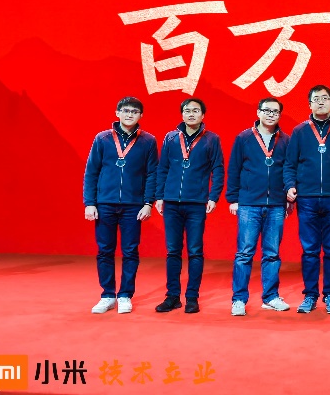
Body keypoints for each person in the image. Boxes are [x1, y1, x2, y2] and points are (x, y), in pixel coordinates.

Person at [284, 85, 330, 314]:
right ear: (310, 104)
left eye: (325, 98)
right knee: (310, 251)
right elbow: (290, 164)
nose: (321, 102)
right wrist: (290, 186)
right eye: (317, 99)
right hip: (307, 199)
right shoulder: (299, 131)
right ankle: (310, 295)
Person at [83, 96, 159, 314]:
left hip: (133, 206)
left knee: (130, 251)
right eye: (125, 111)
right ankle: (107, 295)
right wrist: (90, 203)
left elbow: (152, 174)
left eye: (134, 112)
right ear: (117, 113)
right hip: (104, 204)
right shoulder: (103, 139)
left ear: (141, 115)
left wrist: (148, 203)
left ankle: (125, 295)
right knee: (105, 250)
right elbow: (91, 172)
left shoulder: (148, 141)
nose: (129, 115)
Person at [154, 98, 224, 314]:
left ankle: (192, 297)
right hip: (171, 203)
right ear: (181, 114)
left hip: (196, 203)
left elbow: (218, 169)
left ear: (203, 115)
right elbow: (163, 168)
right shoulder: (171, 138)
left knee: (195, 251)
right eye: (187, 110)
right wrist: (159, 196)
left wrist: (213, 197)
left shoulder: (211, 139)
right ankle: (172, 296)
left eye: (195, 110)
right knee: (173, 251)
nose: (191, 114)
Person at [227, 97, 292, 317]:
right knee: (244, 253)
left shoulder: (285, 140)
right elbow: (234, 168)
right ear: (258, 112)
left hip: (276, 204)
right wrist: (233, 199)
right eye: (267, 110)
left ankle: (270, 297)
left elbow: (288, 170)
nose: (271, 115)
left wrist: (288, 198)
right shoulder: (244, 138)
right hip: (249, 204)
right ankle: (238, 299)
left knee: (272, 253)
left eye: (275, 112)